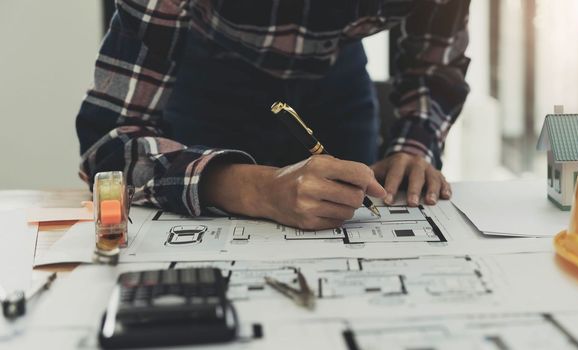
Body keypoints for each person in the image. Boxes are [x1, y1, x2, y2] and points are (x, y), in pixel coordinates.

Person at [76, 0, 471, 230]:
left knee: (350, 214)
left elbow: (432, 70)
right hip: (207, 79)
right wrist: (255, 188)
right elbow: (110, 145)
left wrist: (412, 148)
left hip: (336, 81)